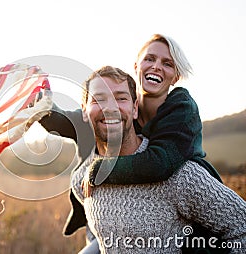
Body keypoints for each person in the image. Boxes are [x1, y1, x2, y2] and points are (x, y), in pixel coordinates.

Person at [39, 33, 226, 253]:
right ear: (137, 66)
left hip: (187, 212)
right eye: (150, 59)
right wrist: (44, 109)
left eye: (167, 63)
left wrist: (101, 170)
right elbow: (77, 123)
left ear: (175, 76)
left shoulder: (182, 109)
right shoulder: (123, 105)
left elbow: (160, 162)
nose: (156, 66)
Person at [71, 65, 246, 253]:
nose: (110, 107)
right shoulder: (82, 178)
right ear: (84, 110)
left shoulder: (178, 175)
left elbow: (242, 227)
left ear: (135, 108)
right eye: (99, 99)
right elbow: (97, 233)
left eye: (121, 98)